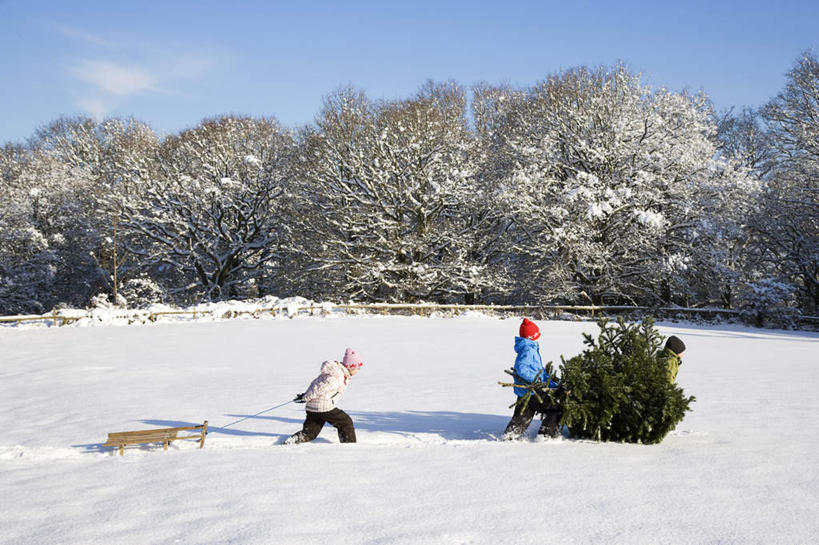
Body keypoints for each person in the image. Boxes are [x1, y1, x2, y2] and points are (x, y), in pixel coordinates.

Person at [285, 348, 364, 444]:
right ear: (350, 366)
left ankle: (291, 442)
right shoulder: (337, 376)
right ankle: (349, 446)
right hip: (323, 406)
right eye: (357, 368)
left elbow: (316, 385)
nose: (358, 371)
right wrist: (305, 397)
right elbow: (320, 388)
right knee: (345, 423)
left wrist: (306, 396)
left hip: (313, 406)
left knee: (309, 433)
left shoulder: (336, 372)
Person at [503, 318, 562, 440]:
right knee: (555, 408)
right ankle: (546, 435)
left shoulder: (528, 347)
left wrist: (552, 384)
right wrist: (536, 381)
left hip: (525, 392)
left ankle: (511, 434)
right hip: (533, 390)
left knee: (523, 415)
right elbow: (521, 368)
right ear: (531, 336)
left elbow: (540, 371)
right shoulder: (528, 349)